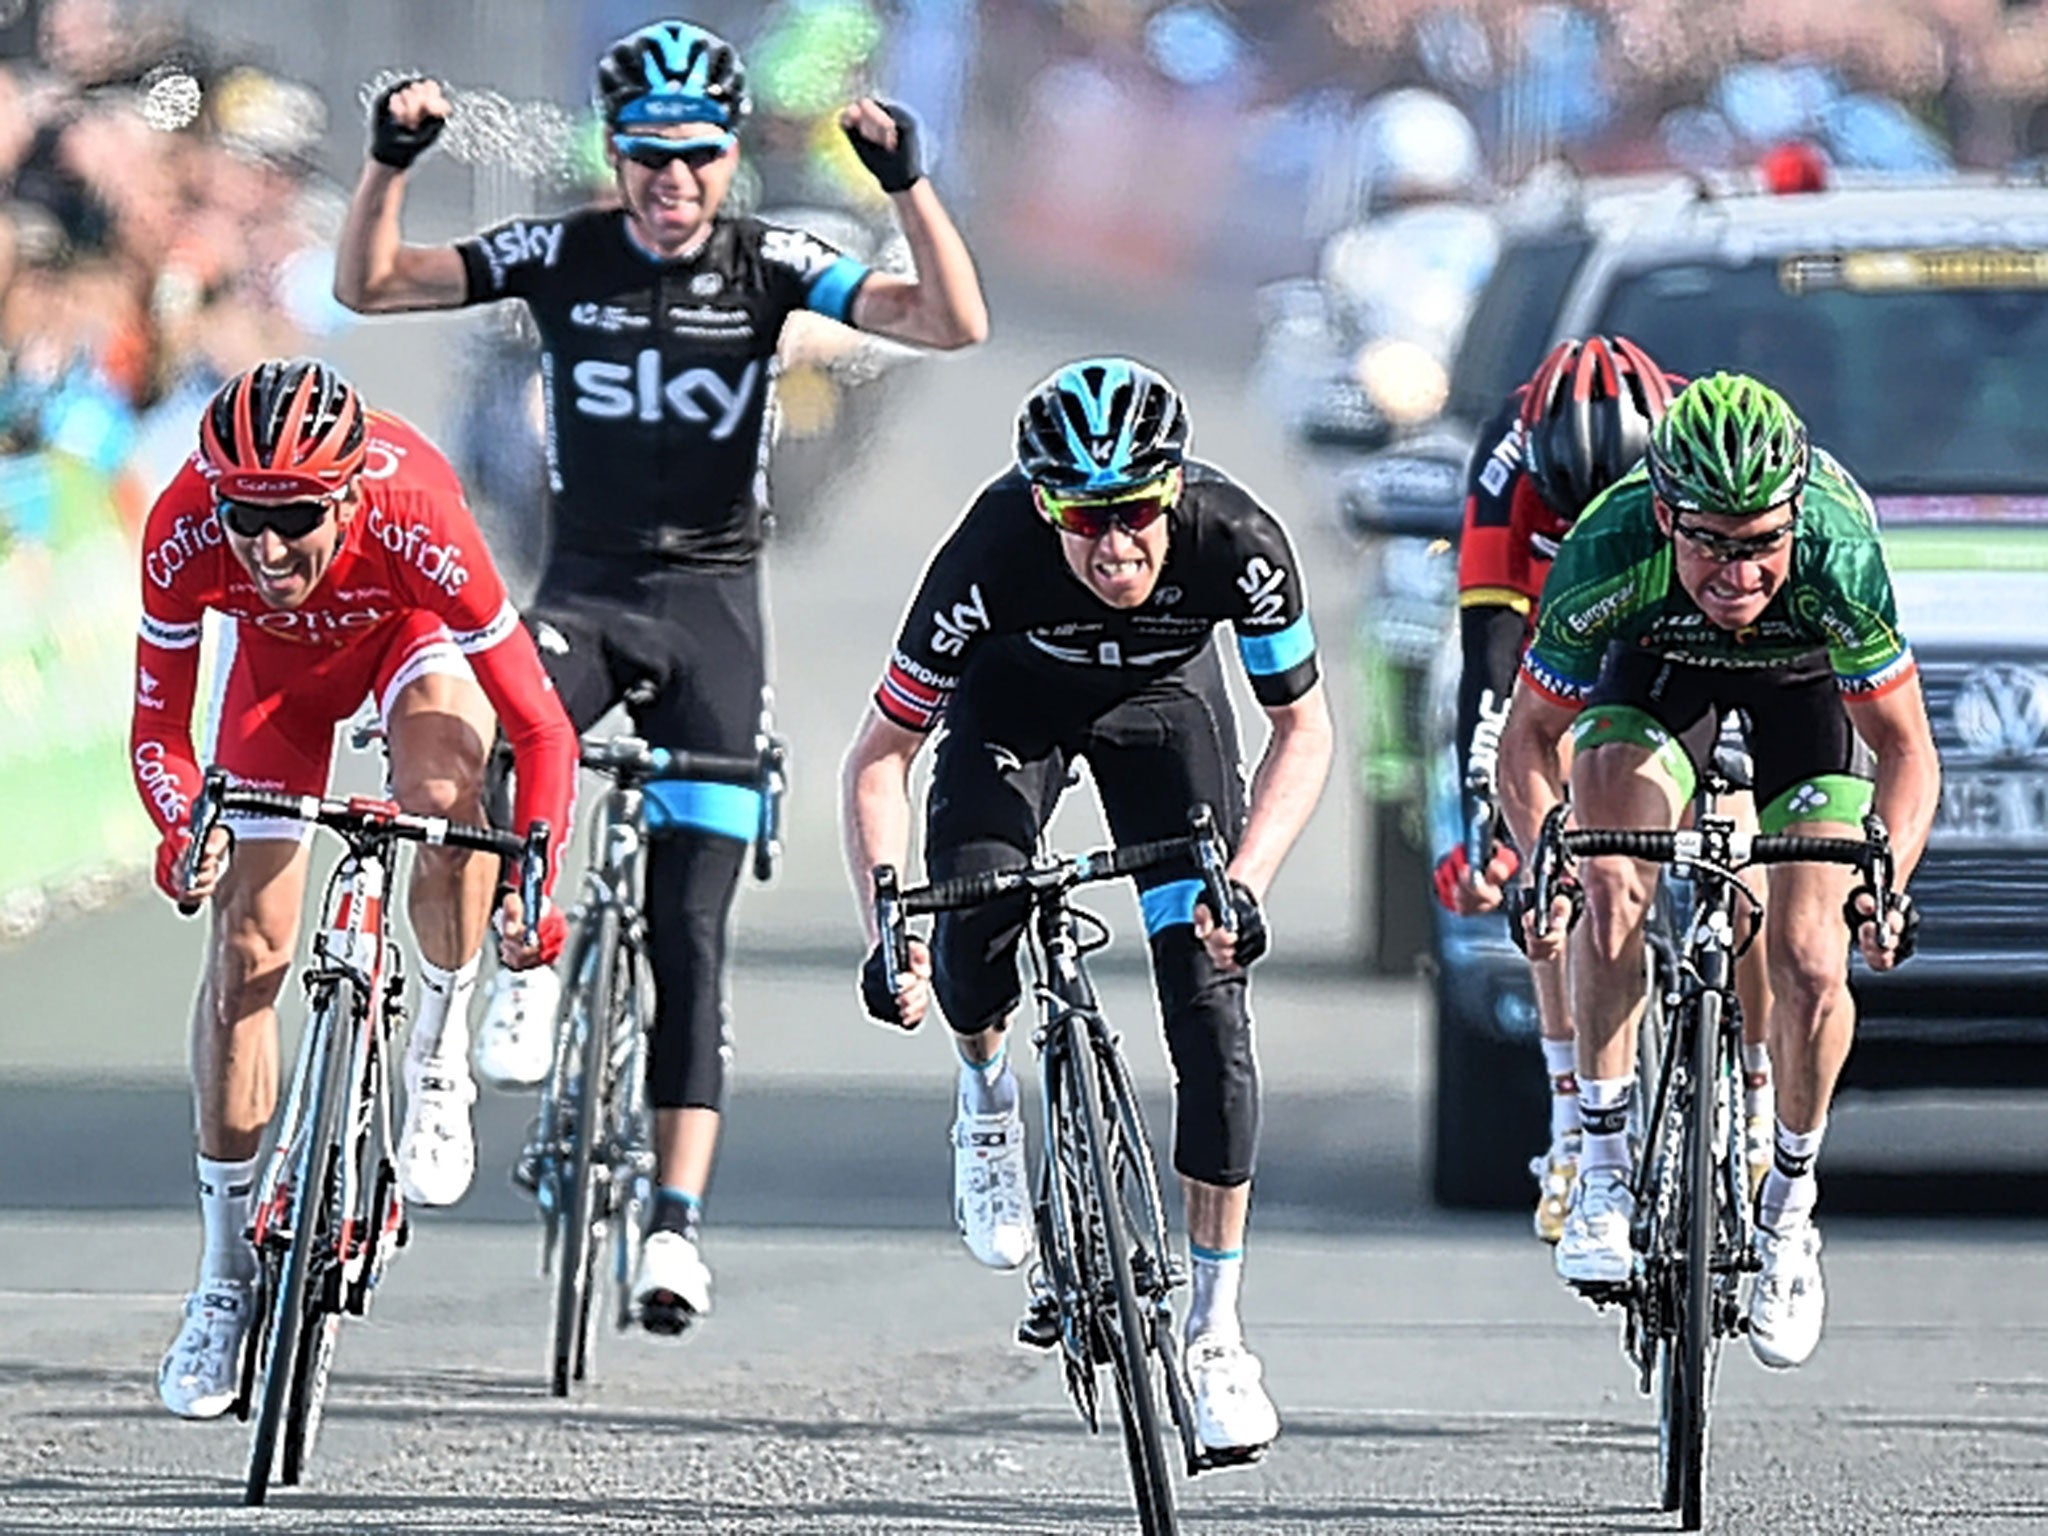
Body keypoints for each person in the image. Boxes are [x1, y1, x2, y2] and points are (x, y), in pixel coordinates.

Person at [333, 19, 988, 1335]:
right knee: (482, 745)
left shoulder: (769, 263)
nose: (674, 181)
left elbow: (951, 323)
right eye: (648, 157)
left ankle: (675, 1234)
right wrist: (389, 164)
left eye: (696, 158)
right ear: (617, 157)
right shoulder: (562, 254)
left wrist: (911, 186)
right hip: (583, 593)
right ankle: (504, 971)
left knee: (691, 941)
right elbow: (373, 288)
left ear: (728, 157)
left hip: (713, 619)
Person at [839, 358, 1334, 1459]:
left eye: (1135, 516)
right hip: (1011, 704)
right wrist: (888, 928)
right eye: (1081, 517)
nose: (1114, 545)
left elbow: (1303, 731)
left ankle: (1215, 1335)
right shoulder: (989, 552)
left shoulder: (1233, 540)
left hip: (1164, 714)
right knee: (974, 937)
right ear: (1041, 504)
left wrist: (1245, 878)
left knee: (1207, 1004)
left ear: (1172, 495)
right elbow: (879, 758)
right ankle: (984, 1102)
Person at [135, 358, 578, 1418]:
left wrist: (535, 879)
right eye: (246, 514)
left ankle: (434, 1047)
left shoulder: (419, 516)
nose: (267, 546)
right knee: (249, 957)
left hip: (407, 647)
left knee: (439, 790)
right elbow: (161, 728)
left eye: (293, 518)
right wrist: (175, 831)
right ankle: (221, 1282)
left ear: (345, 496)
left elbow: (541, 727)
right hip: (278, 685)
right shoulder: (185, 527)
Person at [1496, 372, 1939, 1368]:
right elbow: (1527, 740)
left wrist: (1886, 879)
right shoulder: (1607, 547)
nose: (1737, 571)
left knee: (1808, 957)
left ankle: (1787, 1209)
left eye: (1758, 542)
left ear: (1792, 517)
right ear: (1663, 515)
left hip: (1802, 687)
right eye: (1708, 542)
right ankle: (1604, 1172)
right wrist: (1542, 863)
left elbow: (1906, 751)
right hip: (1658, 677)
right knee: (1607, 881)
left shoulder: (1834, 549)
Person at [1431, 336, 1777, 1243]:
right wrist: (1489, 829)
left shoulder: (1709, 442)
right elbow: (1488, 657)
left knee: (1740, 843)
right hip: (1567, 637)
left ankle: (1748, 1092)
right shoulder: (1509, 456)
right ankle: (1571, 1130)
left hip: (1686, 632)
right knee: (1554, 858)